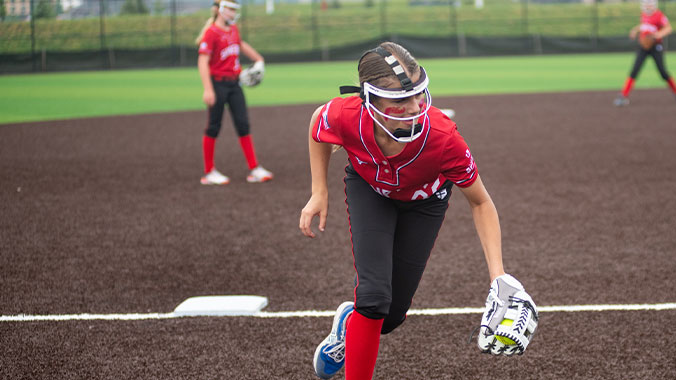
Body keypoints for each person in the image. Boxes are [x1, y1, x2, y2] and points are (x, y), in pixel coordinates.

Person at [299, 42, 537, 380]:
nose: (414, 108)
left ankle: (346, 327)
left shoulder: (443, 138)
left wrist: (497, 275)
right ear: (370, 100)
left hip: (425, 203)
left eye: (418, 95)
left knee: (391, 316)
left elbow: (481, 201)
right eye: (399, 101)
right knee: (373, 299)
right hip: (371, 191)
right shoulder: (348, 115)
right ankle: (359, 324)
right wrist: (318, 191)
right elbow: (318, 124)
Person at [195, 0, 273, 185]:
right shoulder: (211, 32)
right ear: (220, 10)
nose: (233, 12)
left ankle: (254, 168)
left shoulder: (233, 29)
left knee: (243, 124)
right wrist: (208, 89)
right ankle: (208, 172)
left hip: (235, 84)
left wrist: (258, 58)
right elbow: (202, 62)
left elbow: (240, 44)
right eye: (230, 8)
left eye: (234, 9)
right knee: (214, 126)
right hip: (218, 85)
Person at [614, 0, 676, 106]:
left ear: (654, 5)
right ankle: (623, 96)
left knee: (663, 72)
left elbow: (669, 28)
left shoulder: (659, 15)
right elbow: (644, 25)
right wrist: (635, 30)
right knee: (634, 71)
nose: (647, 6)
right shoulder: (643, 14)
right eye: (645, 4)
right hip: (643, 47)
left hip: (655, 46)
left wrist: (658, 34)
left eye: (649, 4)